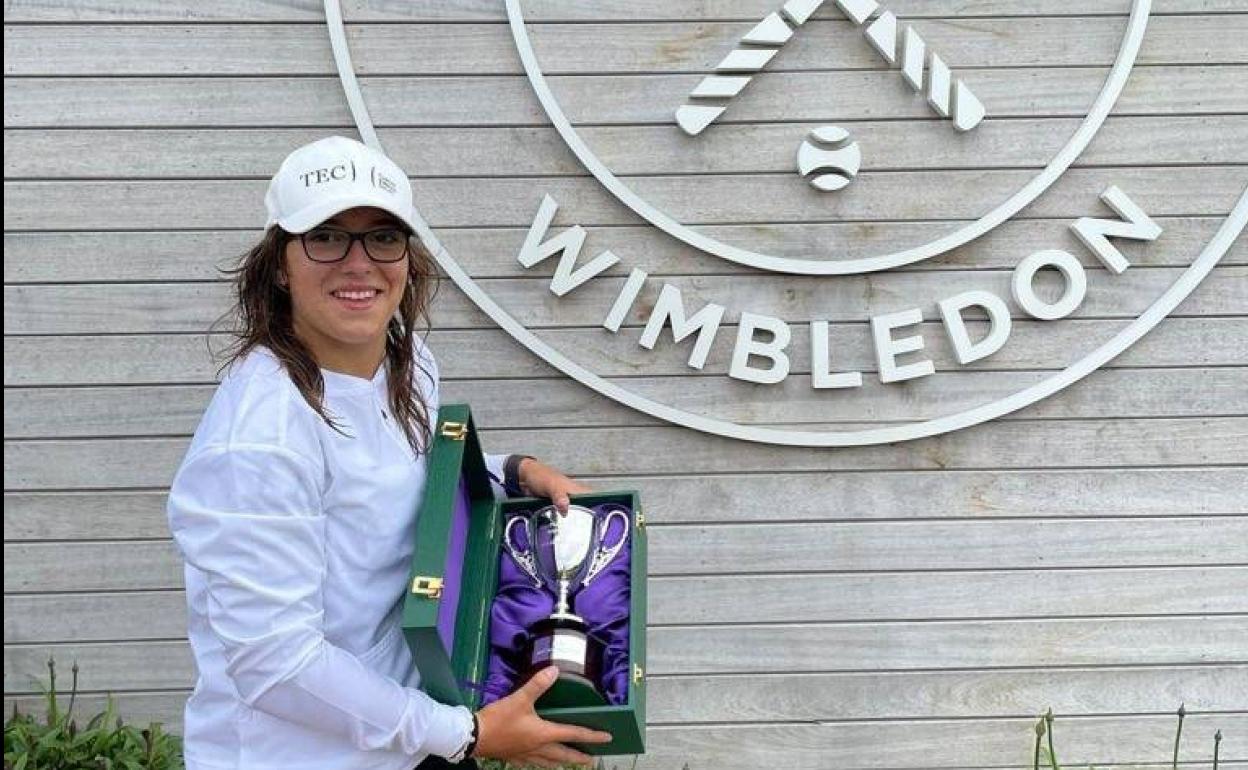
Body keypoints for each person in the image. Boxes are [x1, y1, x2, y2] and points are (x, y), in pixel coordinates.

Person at [167, 136, 611, 770]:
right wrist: (467, 735)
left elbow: (412, 486)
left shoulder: (406, 362)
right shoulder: (259, 439)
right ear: (278, 264)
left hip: (408, 731)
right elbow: (277, 663)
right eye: (326, 237)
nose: (359, 263)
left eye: (382, 236)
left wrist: (513, 473)